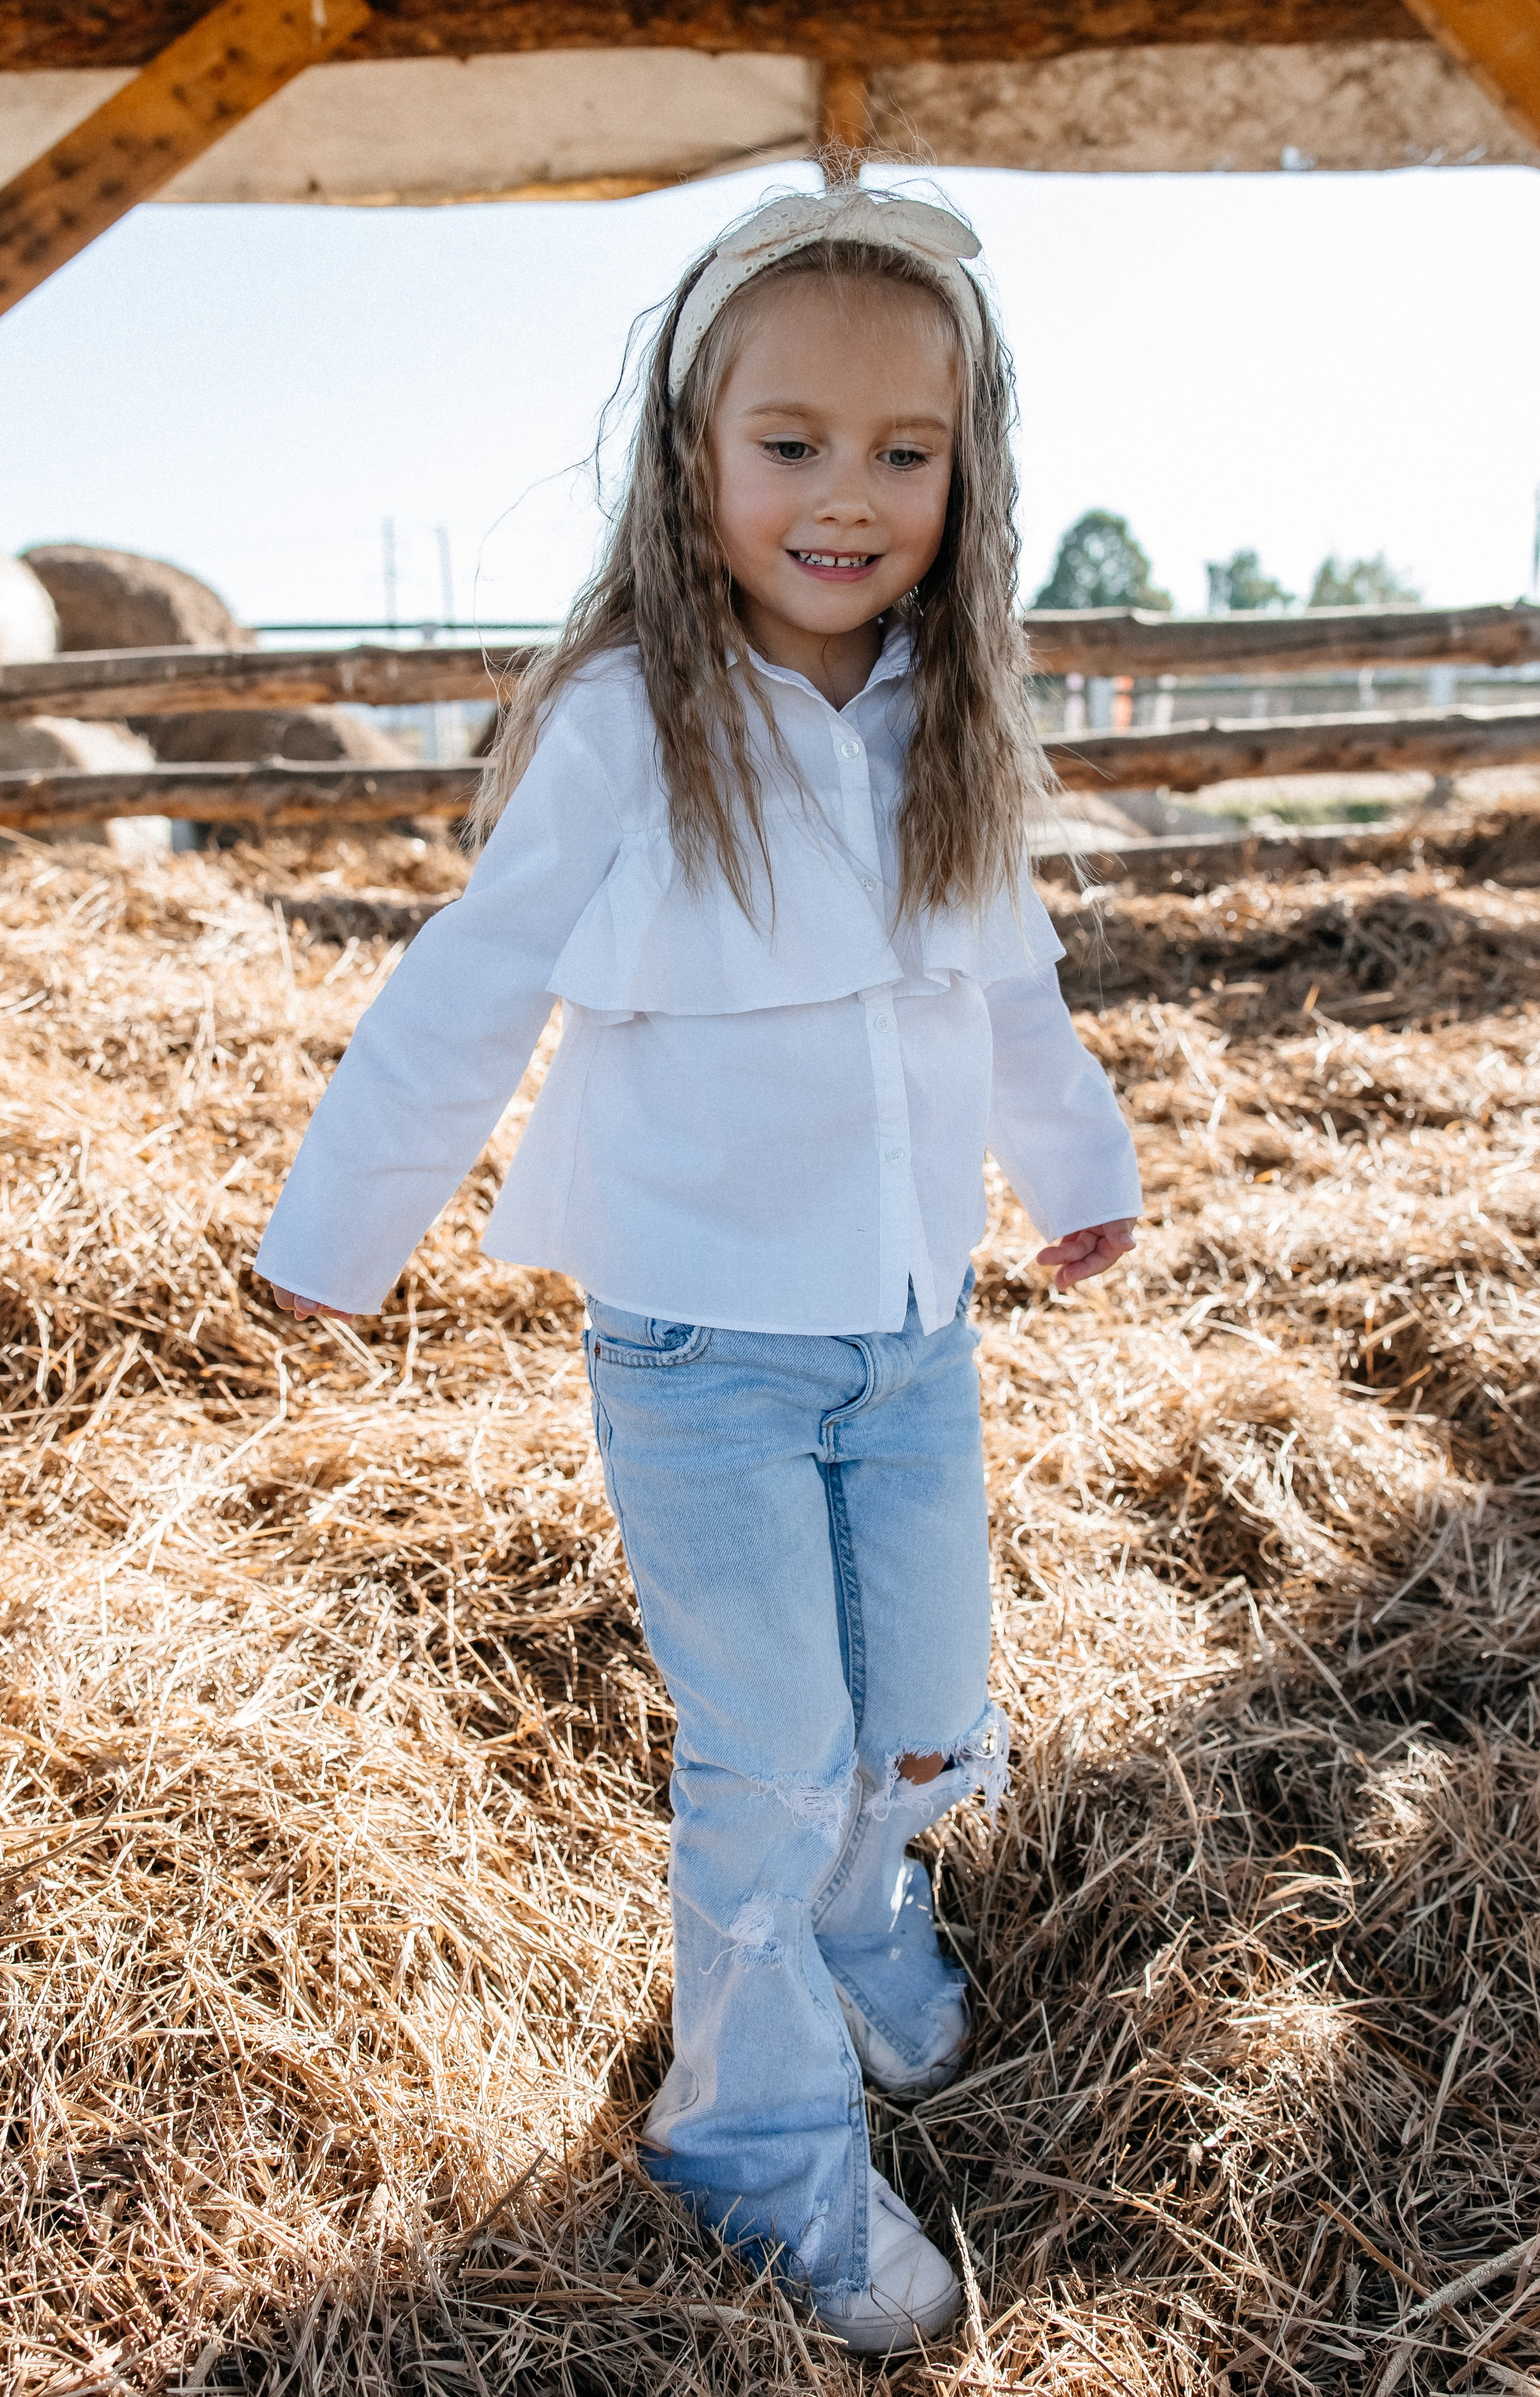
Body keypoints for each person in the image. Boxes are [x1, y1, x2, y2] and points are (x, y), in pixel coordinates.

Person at [257, 185, 1140, 2355]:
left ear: (969, 470)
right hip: (702, 1346)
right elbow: (470, 990)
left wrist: (1074, 1168)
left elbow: (1013, 998)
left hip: (913, 1336)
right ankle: (753, 2141)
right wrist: (336, 1239)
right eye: (792, 442)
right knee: (769, 1750)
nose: (848, 495)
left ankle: (864, 1917)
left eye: (904, 452)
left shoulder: (953, 721)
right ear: (692, 457)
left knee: (925, 1724)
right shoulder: (635, 723)